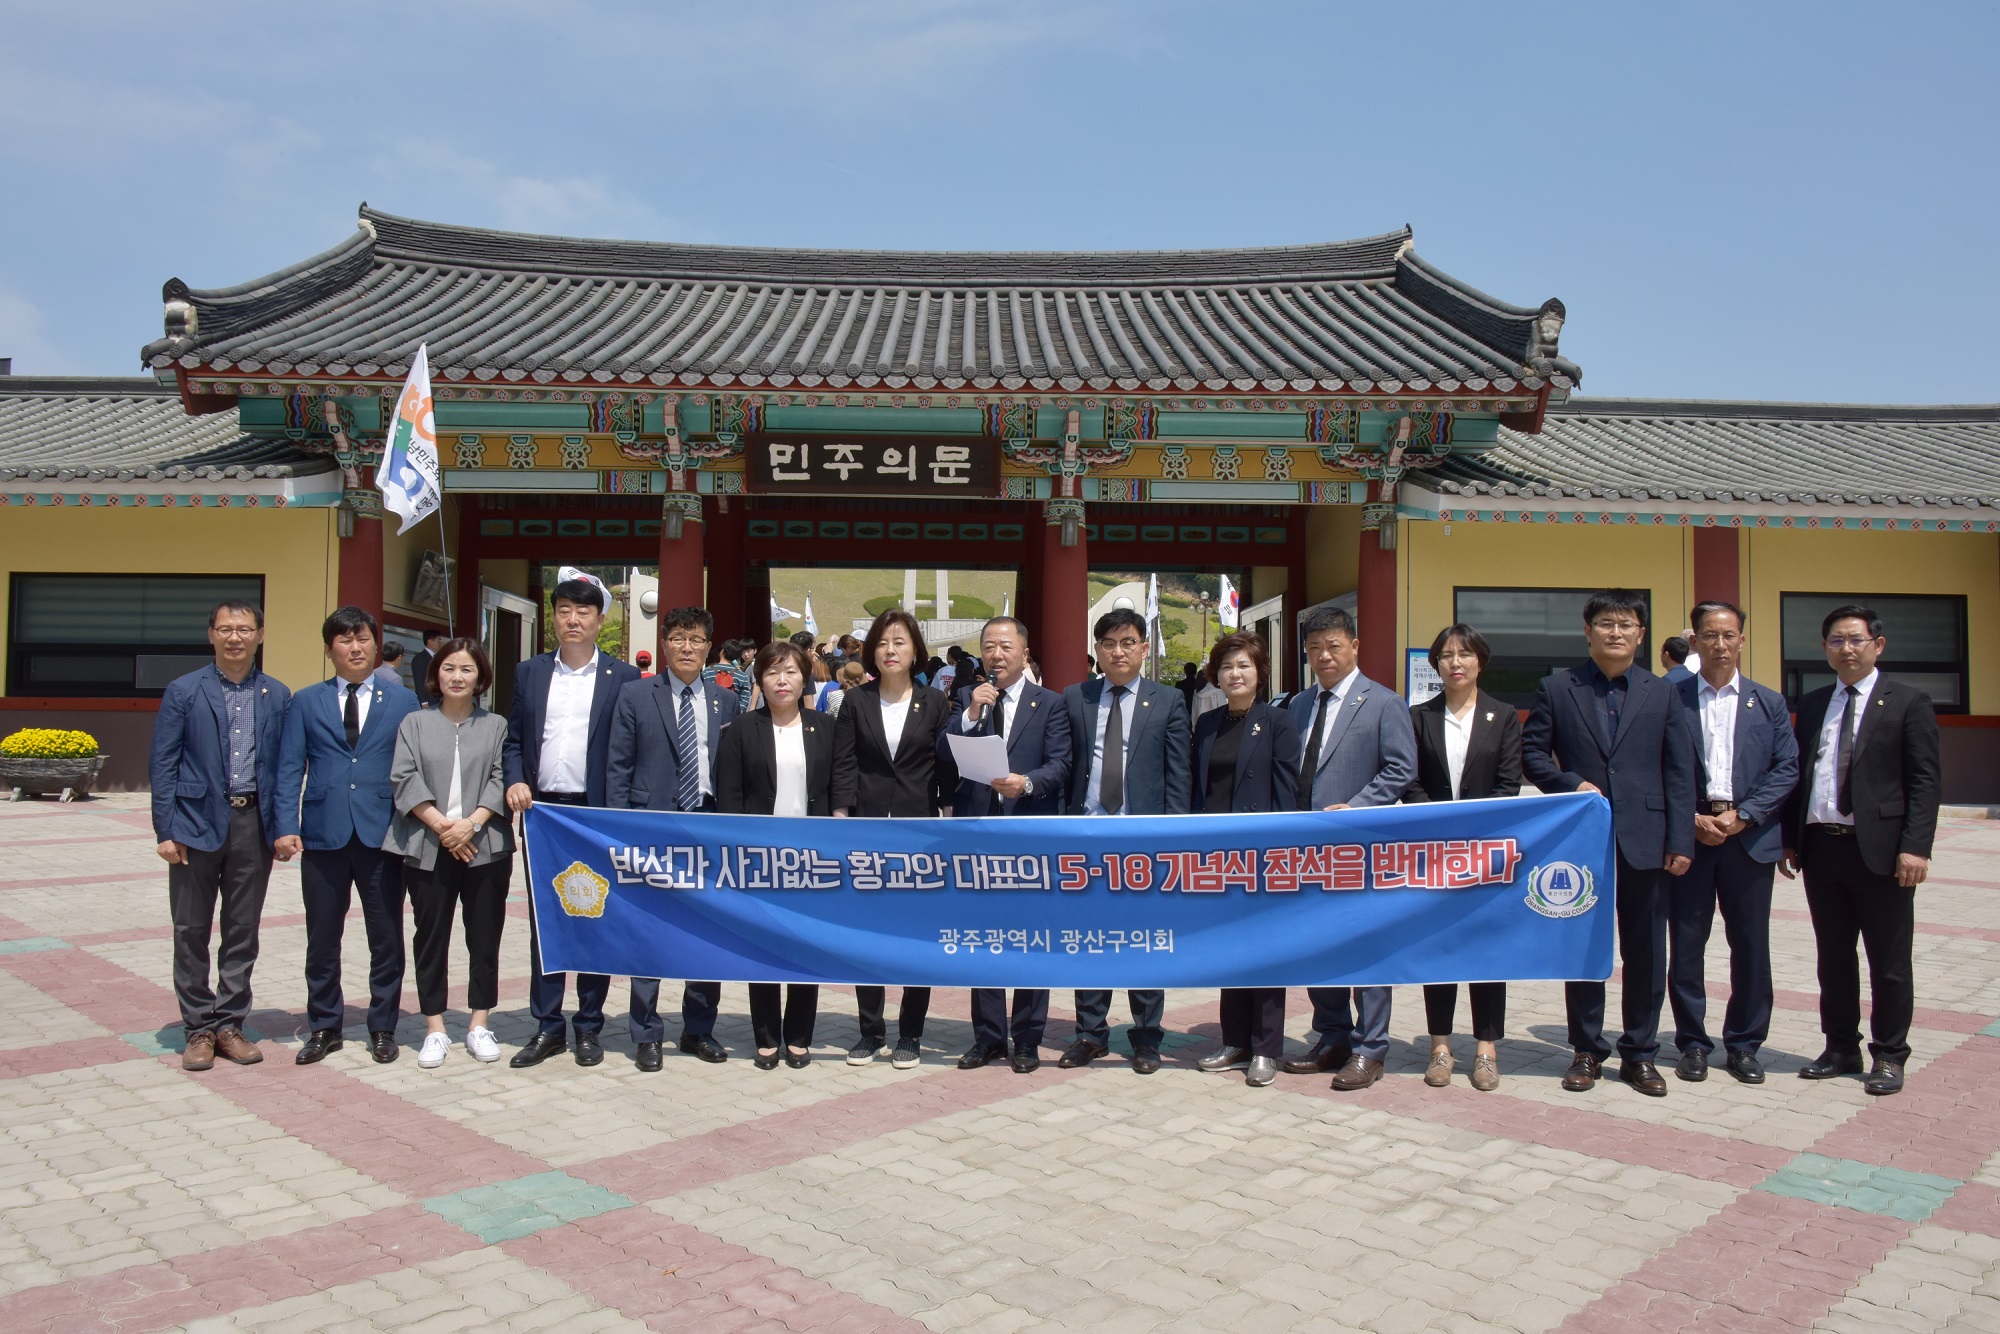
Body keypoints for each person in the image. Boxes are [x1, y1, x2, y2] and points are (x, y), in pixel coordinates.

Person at [1523, 589, 1696, 1097]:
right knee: (1585, 946)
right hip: (1580, 841)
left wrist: (1680, 839)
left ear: (1641, 635)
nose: (1615, 632)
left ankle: (1641, 1053)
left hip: (1648, 839)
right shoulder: (1558, 687)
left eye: (1625, 624)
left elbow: (1679, 769)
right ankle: (1586, 1050)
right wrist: (1570, 783)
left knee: (1646, 950)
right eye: (1605, 623)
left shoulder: (1662, 692)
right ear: (1588, 631)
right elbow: (1535, 755)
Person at [1782, 605, 1941, 1096]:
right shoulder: (1811, 705)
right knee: (1833, 957)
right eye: (1835, 640)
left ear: (1878, 644)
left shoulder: (1908, 702)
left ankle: (1890, 1055)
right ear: (1825, 647)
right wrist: (1791, 838)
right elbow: (1798, 776)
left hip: (1884, 854)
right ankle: (1840, 1047)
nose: (1846, 649)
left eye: (1855, 639)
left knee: (1889, 961)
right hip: (1823, 850)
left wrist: (1915, 847)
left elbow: (1925, 780)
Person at [502, 569, 643, 1068]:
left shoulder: (622, 677)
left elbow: (628, 749)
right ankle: (547, 1025)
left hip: (594, 814)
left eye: (584, 611)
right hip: (543, 812)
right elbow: (514, 739)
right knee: (546, 919)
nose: (573, 620)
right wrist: (515, 779)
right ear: (553, 618)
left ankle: (588, 1025)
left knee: (594, 914)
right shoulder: (530, 672)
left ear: (600, 619)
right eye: (564, 610)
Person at [273, 606, 419, 1066]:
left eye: (362, 639)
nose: (355, 648)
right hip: (322, 834)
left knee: (386, 937)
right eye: (344, 640)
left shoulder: (403, 702)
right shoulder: (306, 700)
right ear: (328, 649)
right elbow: (289, 767)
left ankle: (382, 1026)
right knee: (322, 937)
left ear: (376, 645)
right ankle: (324, 1026)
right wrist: (284, 825)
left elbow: (416, 766)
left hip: (382, 834)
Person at [151, 599, 292, 1072]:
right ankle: (197, 1029)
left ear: (260, 635)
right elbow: (163, 763)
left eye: (244, 629)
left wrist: (284, 827)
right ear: (211, 633)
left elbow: (283, 768)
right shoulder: (184, 691)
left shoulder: (277, 694)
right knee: (190, 928)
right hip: (194, 824)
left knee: (241, 929)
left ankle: (230, 1023)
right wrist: (165, 829)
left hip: (253, 824)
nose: (236, 637)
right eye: (226, 629)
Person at [1664, 601, 1799, 1087]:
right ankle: (1693, 1043)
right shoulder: (1668, 696)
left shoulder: (1768, 702)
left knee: (1750, 946)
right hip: (1690, 841)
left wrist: (1743, 816)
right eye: (1709, 635)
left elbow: (1786, 768)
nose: (1719, 644)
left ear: (1742, 640)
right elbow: (1653, 765)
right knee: (1686, 946)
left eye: (1728, 635)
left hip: (1749, 842)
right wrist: (1691, 818)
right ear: (1694, 641)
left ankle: (1743, 1044)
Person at [1281, 605, 1416, 1090]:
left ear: (1354, 646)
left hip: (1360, 849)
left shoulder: (1382, 702)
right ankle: (1332, 1036)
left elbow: (1401, 768)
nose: (1324, 656)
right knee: (1318, 946)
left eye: (1334, 646)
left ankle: (1370, 1047)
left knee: (1366, 947)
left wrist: (1356, 808)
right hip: (1307, 850)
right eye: (1315, 647)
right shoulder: (1297, 706)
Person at [606, 606, 740, 1070]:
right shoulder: (636, 695)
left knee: (706, 932)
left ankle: (699, 1029)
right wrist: (620, 829)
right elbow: (618, 767)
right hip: (652, 826)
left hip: (706, 824)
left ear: (709, 647)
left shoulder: (725, 701)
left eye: (697, 639)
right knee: (649, 931)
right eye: (680, 638)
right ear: (665, 644)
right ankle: (646, 1033)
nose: (688, 647)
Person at [1060, 608, 1191, 1075]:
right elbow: (1065, 769)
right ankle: (1090, 1034)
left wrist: (1172, 840)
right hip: (1087, 837)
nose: (1119, 651)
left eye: (1128, 642)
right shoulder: (1076, 697)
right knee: (1089, 938)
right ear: (1097, 650)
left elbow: (1179, 776)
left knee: (1144, 940)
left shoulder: (1169, 700)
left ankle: (1147, 1038)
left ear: (1143, 648)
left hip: (1144, 840)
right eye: (1110, 643)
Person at [945, 615, 1073, 1075]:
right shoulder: (966, 698)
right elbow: (945, 756)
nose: (996, 655)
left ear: (1023, 651)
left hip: (1030, 836)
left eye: (1005, 646)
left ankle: (1027, 1039)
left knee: (1031, 937)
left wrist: (1029, 783)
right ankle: (988, 1037)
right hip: (979, 837)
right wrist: (973, 713)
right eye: (988, 646)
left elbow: (1061, 764)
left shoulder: (1051, 703)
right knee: (984, 938)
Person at [831, 609, 958, 1067]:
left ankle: (911, 1034)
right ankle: (870, 1032)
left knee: (914, 936)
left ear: (915, 650)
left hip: (918, 832)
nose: (891, 650)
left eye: (900, 642)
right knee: (868, 937)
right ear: (871, 650)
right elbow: (843, 761)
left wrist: (946, 814)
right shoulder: (856, 701)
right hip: (866, 830)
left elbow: (945, 765)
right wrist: (842, 813)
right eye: (883, 642)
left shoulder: (934, 702)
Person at [1401, 624, 1522, 1092]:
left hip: (1487, 855)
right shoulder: (1418, 716)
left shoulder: (1503, 715)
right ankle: (1440, 1047)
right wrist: (1434, 820)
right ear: (1435, 664)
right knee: (1442, 949)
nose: (1455, 662)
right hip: (1435, 853)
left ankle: (1487, 1051)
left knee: (1486, 951)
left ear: (1480, 662)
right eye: (1446, 655)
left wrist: (1475, 831)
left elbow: (1509, 785)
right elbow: (1409, 782)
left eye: (1465, 654)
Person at [386, 639, 514, 1069]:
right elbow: (403, 778)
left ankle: (479, 1022)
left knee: (484, 936)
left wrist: (470, 825)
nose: (458, 677)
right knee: (431, 937)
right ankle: (435, 1028)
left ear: (481, 678)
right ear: (435, 674)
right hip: (429, 845)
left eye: (467, 670)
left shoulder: (495, 725)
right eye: (449, 669)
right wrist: (443, 826)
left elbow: (501, 777)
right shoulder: (414, 724)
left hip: (485, 846)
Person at [716, 640, 835, 1069]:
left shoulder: (826, 727)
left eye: (790, 672)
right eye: (772, 672)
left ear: (805, 677)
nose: (781, 680)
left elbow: (838, 791)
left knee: (806, 947)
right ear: (759, 679)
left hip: (812, 859)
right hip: (758, 858)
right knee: (762, 948)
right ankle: (766, 1037)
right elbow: (728, 798)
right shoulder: (742, 731)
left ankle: (799, 1036)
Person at [1190, 632, 1300, 1088]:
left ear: (1260, 673)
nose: (1235, 674)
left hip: (1262, 854)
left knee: (1266, 950)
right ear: (1216, 674)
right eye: (1228, 666)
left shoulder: (1278, 722)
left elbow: (1287, 793)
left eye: (1245, 666)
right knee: (1229, 949)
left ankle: (1266, 1047)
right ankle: (1234, 1041)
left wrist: (1278, 851)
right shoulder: (1207, 723)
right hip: (1217, 855)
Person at [410, 629, 445, 708]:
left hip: (438, 700)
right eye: (438, 640)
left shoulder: (438, 658)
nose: (440, 643)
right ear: (430, 642)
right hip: (428, 701)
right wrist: (424, 702)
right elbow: (419, 681)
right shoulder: (420, 658)